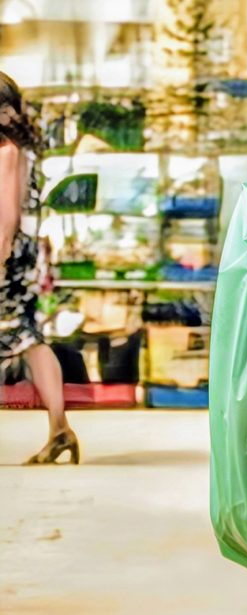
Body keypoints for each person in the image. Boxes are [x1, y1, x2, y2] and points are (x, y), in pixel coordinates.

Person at [1, 71, 78, 465]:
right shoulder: (21, 145)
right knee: (28, 340)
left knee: (26, 339)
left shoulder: (6, 151)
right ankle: (60, 429)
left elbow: (6, 216)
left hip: (7, 258)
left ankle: (61, 428)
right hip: (21, 255)